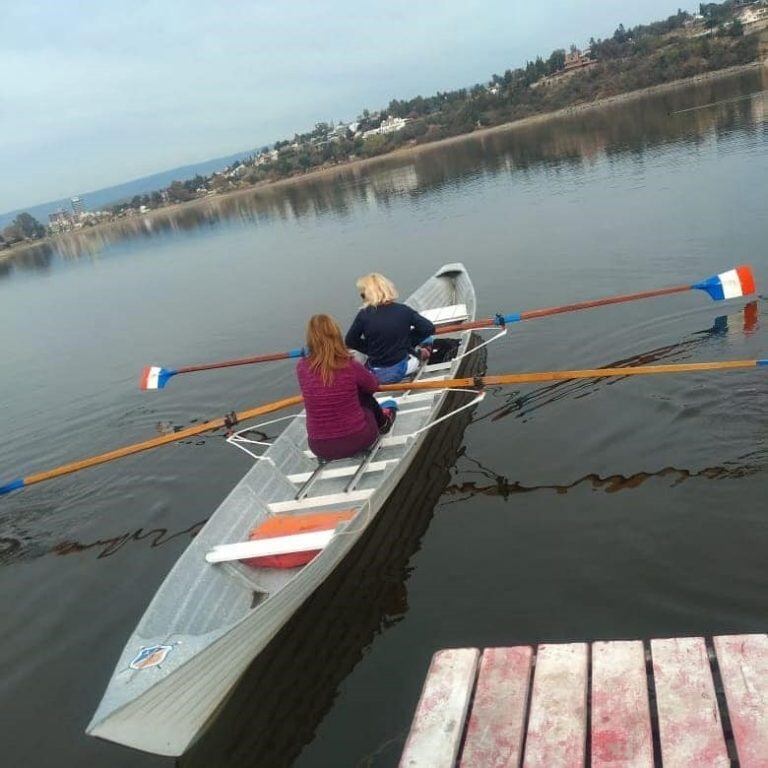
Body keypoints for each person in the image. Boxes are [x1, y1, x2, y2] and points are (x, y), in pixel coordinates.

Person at [296, 314, 398, 461]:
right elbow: (373, 386)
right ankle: (384, 423)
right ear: (336, 335)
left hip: (319, 447)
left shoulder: (301, 366)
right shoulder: (349, 364)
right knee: (365, 396)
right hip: (357, 439)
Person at [345, 273, 436, 384]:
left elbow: (350, 341)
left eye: (362, 295)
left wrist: (371, 350)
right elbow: (429, 328)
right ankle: (422, 352)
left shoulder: (363, 315)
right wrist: (408, 342)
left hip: (375, 373)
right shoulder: (403, 310)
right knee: (428, 339)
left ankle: (416, 350)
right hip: (400, 370)